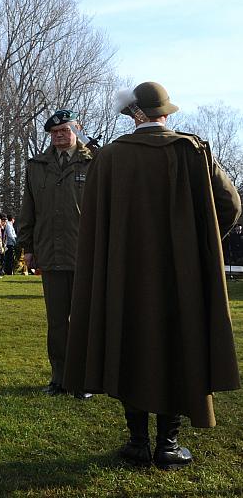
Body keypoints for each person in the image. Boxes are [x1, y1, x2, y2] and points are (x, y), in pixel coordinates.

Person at [63, 82, 242, 470]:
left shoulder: (109, 158)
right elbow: (230, 205)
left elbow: (93, 223)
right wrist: (201, 243)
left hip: (124, 276)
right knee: (179, 347)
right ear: (164, 114)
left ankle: (138, 443)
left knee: (130, 345)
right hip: (183, 276)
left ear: (134, 115)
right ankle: (169, 444)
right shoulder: (193, 151)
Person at [17, 109, 93, 399]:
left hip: (85, 254)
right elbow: (28, 209)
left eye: (66, 130)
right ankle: (59, 378)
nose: (60, 135)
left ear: (77, 129)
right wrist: (28, 247)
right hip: (50, 252)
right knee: (57, 322)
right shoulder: (37, 165)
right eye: (55, 132)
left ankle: (84, 379)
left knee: (83, 321)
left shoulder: (94, 161)